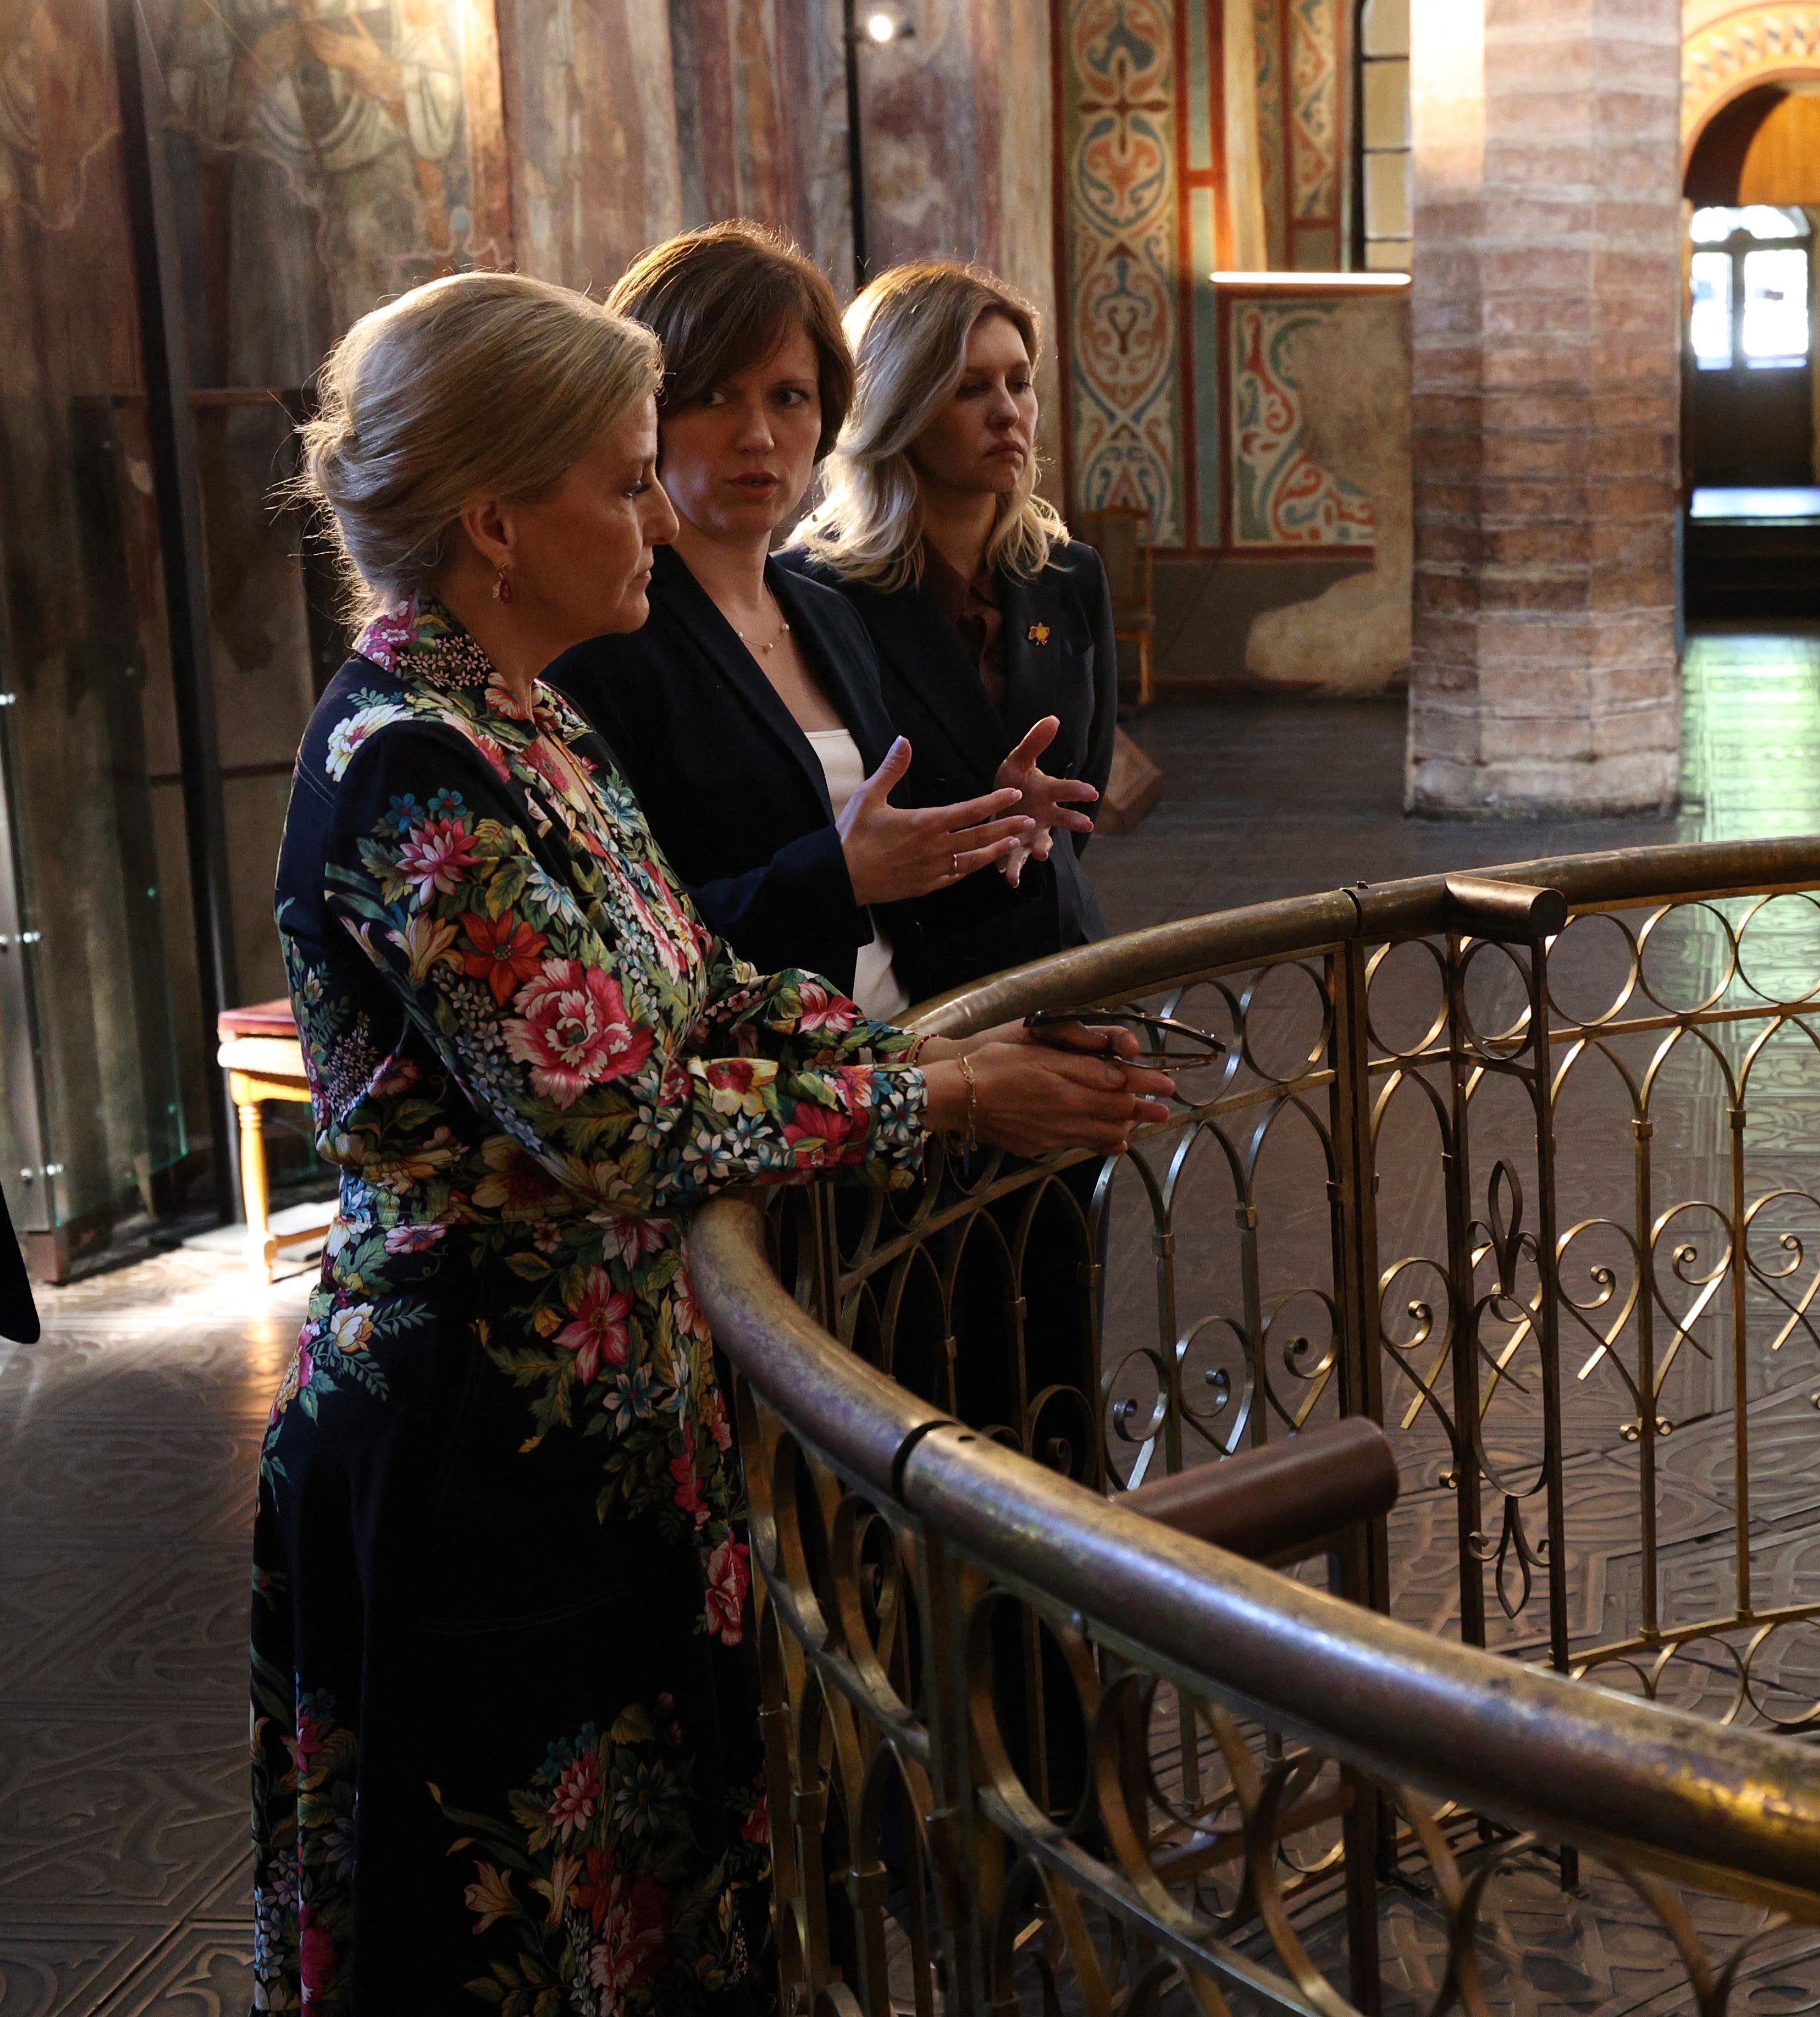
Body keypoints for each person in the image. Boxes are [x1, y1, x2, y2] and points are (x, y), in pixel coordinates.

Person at [255, 269, 1171, 2013]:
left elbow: (700, 985)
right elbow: (620, 1117)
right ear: (493, 521)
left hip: (611, 1413)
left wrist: (927, 1042)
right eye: (622, 480)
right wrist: (947, 1093)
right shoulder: (409, 763)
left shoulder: (525, 717)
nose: (659, 516)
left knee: (658, 1913)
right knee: (513, 1935)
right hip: (477, 1440)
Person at [549, 223, 1079, 1017]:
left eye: (788, 397)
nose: (759, 435)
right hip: (763, 1090)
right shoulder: (603, 641)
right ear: (642, 414)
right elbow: (607, 953)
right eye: (714, 396)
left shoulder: (823, 613)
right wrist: (836, 878)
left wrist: (986, 828)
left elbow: (887, 889)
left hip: (906, 1045)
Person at [786, 261, 1118, 995]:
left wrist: (1035, 827)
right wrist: (987, 819)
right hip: (914, 986)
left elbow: (1085, 779)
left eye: (1019, 382)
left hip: (1063, 952)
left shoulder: (1067, 573)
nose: (1008, 413)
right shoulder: (811, 591)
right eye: (970, 389)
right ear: (895, 405)